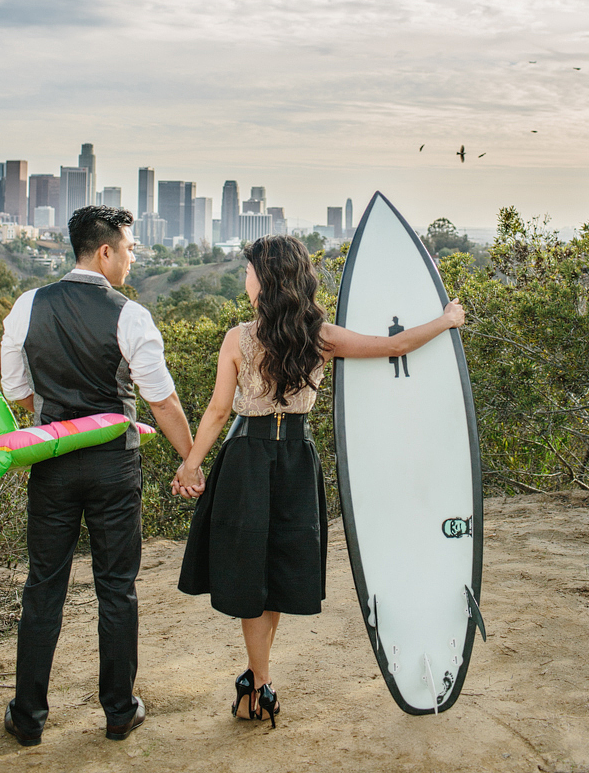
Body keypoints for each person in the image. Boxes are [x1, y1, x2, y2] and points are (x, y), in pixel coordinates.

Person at [173, 235, 464, 726]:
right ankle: (260, 680)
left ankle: (257, 682)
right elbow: (394, 346)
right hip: (295, 462)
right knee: (277, 568)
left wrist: (191, 464)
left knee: (255, 573)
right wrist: (445, 321)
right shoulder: (321, 337)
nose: (244, 280)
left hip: (246, 459)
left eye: (248, 271)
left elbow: (220, 411)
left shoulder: (238, 338)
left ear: (265, 280)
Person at [0, 206, 203, 747]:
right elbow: (161, 400)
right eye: (130, 248)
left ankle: (28, 718)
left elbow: (18, 392)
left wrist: (57, 408)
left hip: (52, 462)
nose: (133, 257)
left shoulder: (26, 307)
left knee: (43, 587)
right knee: (117, 588)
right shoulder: (130, 316)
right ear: (105, 251)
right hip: (114, 466)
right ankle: (118, 711)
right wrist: (190, 458)